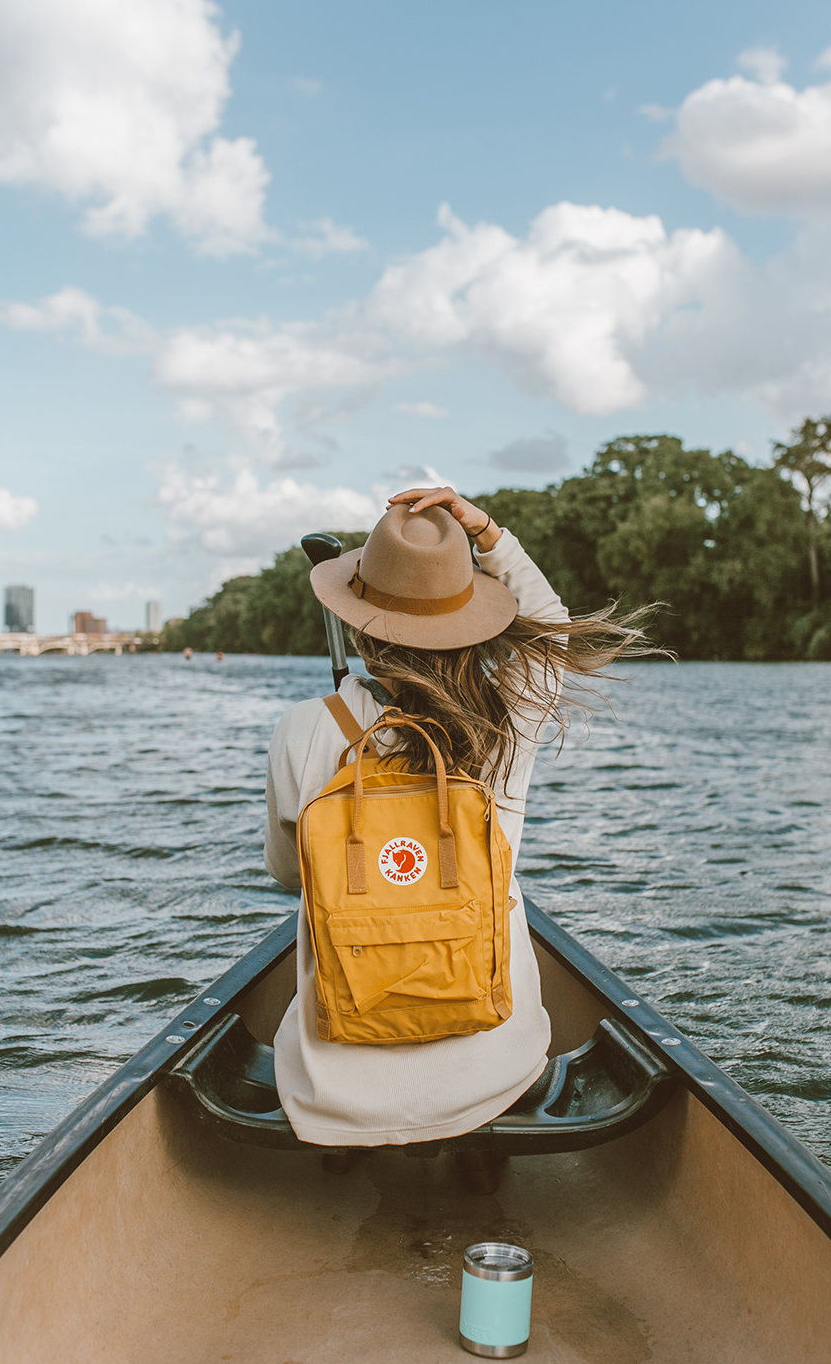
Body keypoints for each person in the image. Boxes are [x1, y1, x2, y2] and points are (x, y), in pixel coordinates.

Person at [264, 486, 645, 1191]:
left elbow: (292, 878)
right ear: (469, 618)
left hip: (332, 1090)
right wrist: (488, 532)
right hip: (490, 1074)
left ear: (359, 623)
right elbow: (551, 628)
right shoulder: (511, 714)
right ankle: (475, 1140)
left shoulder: (302, 727)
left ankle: (361, 1134)